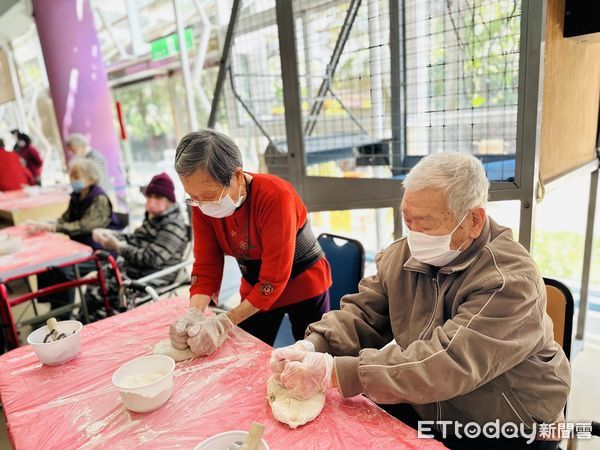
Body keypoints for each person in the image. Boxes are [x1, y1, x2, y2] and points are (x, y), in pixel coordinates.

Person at [270, 153, 570, 450]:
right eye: (407, 219)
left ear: (474, 220)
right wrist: (314, 345)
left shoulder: (508, 281)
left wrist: (334, 372)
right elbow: (363, 313)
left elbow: (448, 362)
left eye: (425, 223)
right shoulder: (404, 254)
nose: (413, 235)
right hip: (430, 403)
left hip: (507, 419)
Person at [168, 129, 332, 355]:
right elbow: (206, 265)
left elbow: (273, 279)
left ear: (236, 176)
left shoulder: (275, 196)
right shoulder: (201, 204)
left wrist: (223, 322)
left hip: (302, 284)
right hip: (255, 286)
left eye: (208, 195)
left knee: (310, 359)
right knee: (245, 356)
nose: (201, 204)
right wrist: (194, 313)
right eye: (193, 196)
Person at [85, 172, 189, 321]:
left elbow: (151, 259)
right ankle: (86, 330)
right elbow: (135, 237)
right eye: (149, 196)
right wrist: (111, 235)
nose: (152, 201)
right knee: (96, 283)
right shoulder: (154, 217)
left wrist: (119, 247)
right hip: (137, 269)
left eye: (158, 197)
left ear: (169, 201)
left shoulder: (173, 225)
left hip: (157, 273)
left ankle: (105, 330)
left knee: (106, 294)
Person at [29, 158, 121, 319]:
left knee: (64, 271)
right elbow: (66, 219)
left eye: (77, 176)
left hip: (99, 249)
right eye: (71, 175)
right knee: (46, 265)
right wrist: (46, 223)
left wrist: (53, 227)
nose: (73, 180)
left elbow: (84, 226)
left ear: (91, 178)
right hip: (78, 247)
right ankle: (54, 310)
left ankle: (64, 315)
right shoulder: (77, 195)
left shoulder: (99, 198)